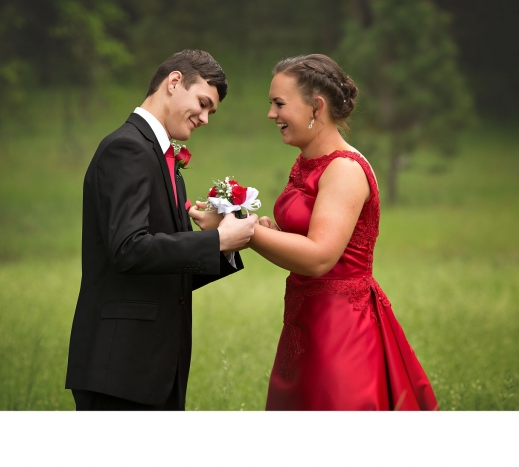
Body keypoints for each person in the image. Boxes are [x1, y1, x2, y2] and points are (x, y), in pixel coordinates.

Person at [195, 53, 438, 410]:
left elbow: (320, 257)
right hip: (304, 321)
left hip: (340, 328)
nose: (271, 114)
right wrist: (264, 229)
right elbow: (303, 241)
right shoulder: (307, 159)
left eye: (279, 104)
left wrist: (240, 230)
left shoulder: (344, 170)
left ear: (316, 107)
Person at [65, 49, 257, 411]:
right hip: (120, 368)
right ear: (174, 82)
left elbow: (167, 266)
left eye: (211, 112)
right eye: (202, 103)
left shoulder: (163, 156)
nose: (204, 118)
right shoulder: (127, 148)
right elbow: (128, 249)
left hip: (153, 368)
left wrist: (226, 245)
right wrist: (215, 240)